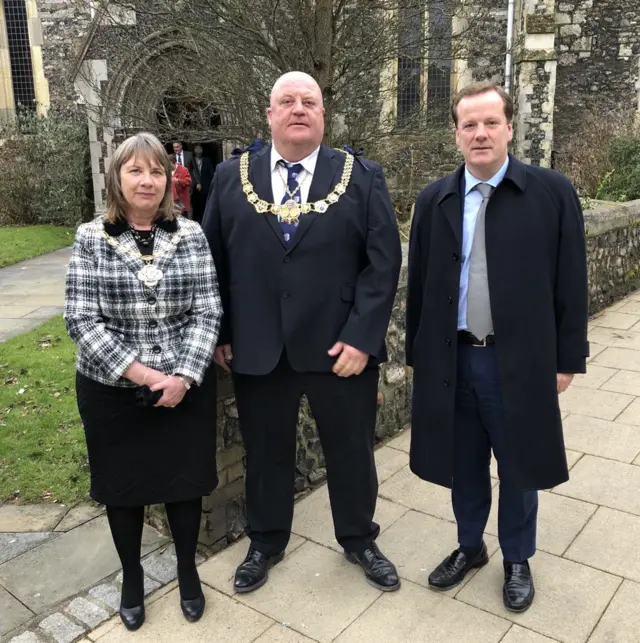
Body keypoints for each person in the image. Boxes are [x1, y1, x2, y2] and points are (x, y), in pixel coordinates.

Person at [202, 71, 402, 594]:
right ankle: (265, 541)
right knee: (266, 453)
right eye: (286, 101)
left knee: (352, 450)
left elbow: (382, 264)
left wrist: (363, 337)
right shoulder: (229, 177)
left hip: (341, 348)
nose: (297, 109)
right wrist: (221, 331)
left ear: (322, 115)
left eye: (308, 101)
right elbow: (213, 263)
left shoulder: (361, 177)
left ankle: (359, 537)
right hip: (258, 346)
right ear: (268, 114)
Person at [406, 82, 589, 612]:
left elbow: (569, 282)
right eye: (470, 125)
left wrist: (566, 358)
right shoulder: (433, 200)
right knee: (463, 464)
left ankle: (517, 557)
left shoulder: (551, 193)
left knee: (519, 464)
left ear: (510, 127)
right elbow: (419, 286)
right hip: (453, 359)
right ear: (457, 134)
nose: (480, 133)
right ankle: (470, 546)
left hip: (518, 360)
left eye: (491, 122)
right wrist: (421, 357)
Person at [64, 132, 222, 630]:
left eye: (155, 171)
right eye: (135, 170)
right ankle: (132, 577)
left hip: (184, 388)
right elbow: (81, 319)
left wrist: (183, 376)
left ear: (168, 180)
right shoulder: (91, 238)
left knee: (183, 485)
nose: (147, 180)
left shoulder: (191, 235)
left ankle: (187, 572)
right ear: (117, 178)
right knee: (123, 488)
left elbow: (208, 309)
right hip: (113, 391)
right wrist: (146, 375)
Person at [191, 145, 215, 223]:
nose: (198, 154)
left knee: (205, 205)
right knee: (196, 206)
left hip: (205, 187)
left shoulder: (207, 160)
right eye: (197, 153)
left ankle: (205, 221)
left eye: (200, 153)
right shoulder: (192, 160)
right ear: (195, 153)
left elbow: (211, 173)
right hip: (194, 188)